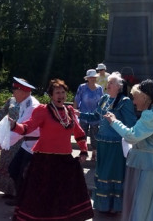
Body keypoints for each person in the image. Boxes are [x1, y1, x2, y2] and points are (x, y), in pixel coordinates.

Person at [10, 78, 94, 221]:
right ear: (51, 95)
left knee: (61, 195)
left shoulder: (70, 111)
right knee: (41, 194)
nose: (61, 95)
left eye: (63, 92)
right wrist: (14, 126)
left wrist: (84, 150)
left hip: (64, 160)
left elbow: (79, 133)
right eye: (57, 93)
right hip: (44, 161)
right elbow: (28, 127)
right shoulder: (42, 110)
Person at [104, 79, 153, 221]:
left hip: (145, 166)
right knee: (146, 205)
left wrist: (114, 121)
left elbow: (131, 136)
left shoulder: (150, 115)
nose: (133, 102)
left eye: (135, 97)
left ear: (144, 97)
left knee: (141, 204)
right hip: (146, 164)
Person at [75, 72, 137, 214]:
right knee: (102, 173)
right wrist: (80, 114)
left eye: (110, 83)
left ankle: (115, 207)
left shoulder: (124, 101)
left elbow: (131, 123)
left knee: (113, 174)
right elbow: (96, 116)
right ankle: (102, 205)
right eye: (107, 83)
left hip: (115, 145)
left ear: (119, 87)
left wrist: (116, 122)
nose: (107, 85)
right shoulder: (104, 98)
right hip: (102, 143)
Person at [0, 77, 40, 206]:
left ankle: (24, 199)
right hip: (27, 143)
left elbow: (19, 130)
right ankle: (21, 197)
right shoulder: (26, 103)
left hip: (33, 145)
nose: (13, 93)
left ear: (22, 91)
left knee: (21, 171)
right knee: (14, 169)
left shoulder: (32, 106)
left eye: (14, 90)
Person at [0, 96, 21, 199]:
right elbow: (2, 111)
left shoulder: (29, 102)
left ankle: (16, 191)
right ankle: (7, 190)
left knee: (16, 162)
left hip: (21, 136)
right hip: (9, 134)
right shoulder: (11, 100)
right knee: (5, 160)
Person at [73, 69, 103, 160]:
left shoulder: (99, 88)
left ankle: (94, 152)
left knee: (95, 135)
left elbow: (102, 102)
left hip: (95, 116)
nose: (93, 79)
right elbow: (77, 99)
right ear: (87, 78)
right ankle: (83, 152)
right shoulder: (82, 87)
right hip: (83, 115)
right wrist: (74, 112)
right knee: (82, 134)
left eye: (94, 77)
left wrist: (101, 113)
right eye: (91, 77)